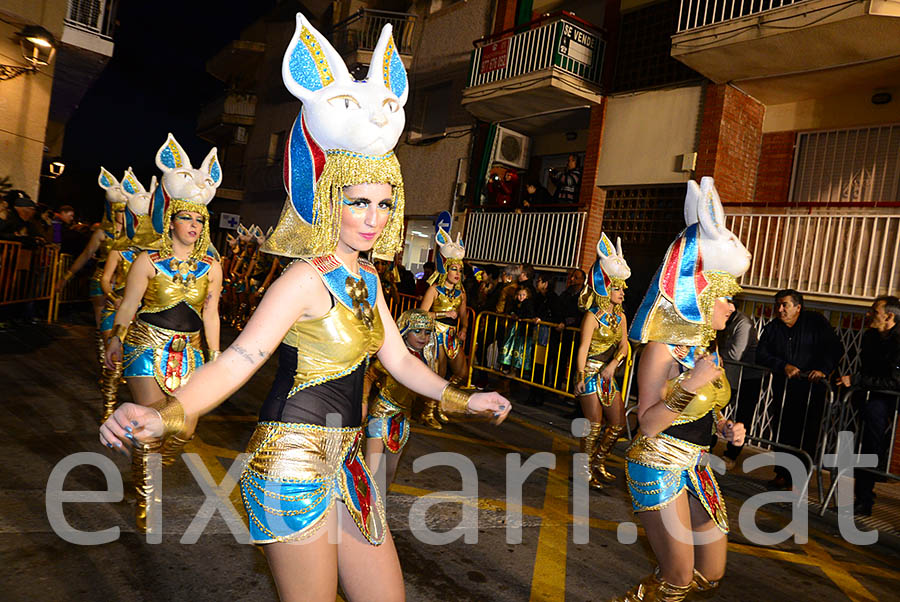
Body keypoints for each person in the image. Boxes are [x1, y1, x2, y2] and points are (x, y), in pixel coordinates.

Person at [101, 18, 510, 602]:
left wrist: (465, 399)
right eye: (359, 202)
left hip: (348, 463)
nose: (373, 217)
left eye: (384, 204)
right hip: (291, 463)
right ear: (328, 200)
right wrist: (169, 413)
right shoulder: (303, 278)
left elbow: (397, 359)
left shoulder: (366, 279)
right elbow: (241, 357)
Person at [615, 177, 751, 600]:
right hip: (657, 462)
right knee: (676, 578)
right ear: (704, 296)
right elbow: (648, 421)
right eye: (726, 298)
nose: (731, 307)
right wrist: (693, 382)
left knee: (709, 573)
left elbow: (703, 411)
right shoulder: (660, 348)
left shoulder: (705, 347)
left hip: (696, 462)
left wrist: (727, 428)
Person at [104, 135, 224, 532]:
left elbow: (211, 313)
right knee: (153, 425)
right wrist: (115, 339)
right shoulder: (147, 260)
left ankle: (143, 465)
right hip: (146, 348)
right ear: (171, 220)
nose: (194, 225)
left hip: (190, 353)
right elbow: (128, 305)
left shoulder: (212, 266)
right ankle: (147, 499)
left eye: (200, 220)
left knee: (184, 428)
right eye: (187, 218)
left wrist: (217, 356)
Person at [756, 288, 843, 489]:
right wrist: (782, 366)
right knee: (782, 431)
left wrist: (823, 369)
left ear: (798, 307)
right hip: (784, 389)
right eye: (777, 304)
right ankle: (781, 474)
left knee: (806, 433)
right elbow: (761, 354)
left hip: (811, 389)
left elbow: (834, 348)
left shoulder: (816, 323)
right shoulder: (772, 328)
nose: (780, 309)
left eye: (784, 304)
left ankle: (799, 479)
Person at [98, 169, 161, 422]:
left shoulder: (155, 258)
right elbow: (105, 280)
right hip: (117, 309)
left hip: (143, 318)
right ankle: (109, 409)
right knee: (113, 365)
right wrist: (113, 297)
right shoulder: (119, 251)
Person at [573, 234, 631, 489]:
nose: (622, 293)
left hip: (608, 375)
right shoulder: (592, 316)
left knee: (617, 425)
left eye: (622, 288)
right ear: (606, 289)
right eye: (617, 288)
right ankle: (583, 469)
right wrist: (580, 377)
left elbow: (625, 345)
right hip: (590, 373)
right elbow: (583, 348)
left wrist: (614, 364)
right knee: (594, 425)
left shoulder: (621, 318)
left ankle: (598, 462)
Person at [836, 295, 900, 516]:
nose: (868, 314)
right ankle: (858, 498)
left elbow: (895, 381)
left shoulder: (898, 341)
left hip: (884, 403)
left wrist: (856, 380)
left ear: (889, 316)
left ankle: (865, 499)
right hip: (866, 400)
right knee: (860, 448)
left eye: (874, 310)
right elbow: (867, 369)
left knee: (872, 450)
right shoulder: (870, 336)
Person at [56, 170, 128, 366]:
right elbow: (86, 255)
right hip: (101, 280)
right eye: (118, 210)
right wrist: (66, 277)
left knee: (123, 326)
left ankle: (115, 363)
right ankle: (107, 367)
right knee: (103, 326)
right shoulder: (102, 233)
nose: (121, 214)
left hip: (124, 283)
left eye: (124, 210)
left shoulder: (135, 235)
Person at [365, 309, 446, 480]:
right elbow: (370, 375)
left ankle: (379, 506)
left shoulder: (426, 361)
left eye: (427, 332)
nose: (423, 337)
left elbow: (430, 393)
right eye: (417, 331)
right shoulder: (393, 356)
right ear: (405, 331)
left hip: (403, 418)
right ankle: (364, 506)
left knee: (389, 472)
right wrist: (363, 401)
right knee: (371, 469)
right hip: (381, 413)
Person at [419, 228, 469, 424]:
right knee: (438, 374)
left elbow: (464, 316)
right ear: (446, 269)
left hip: (452, 335)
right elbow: (422, 314)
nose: (457, 273)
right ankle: (428, 411)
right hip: (435, 333)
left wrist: (464, 328)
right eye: (454, 269)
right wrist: (442, 314)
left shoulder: (461, 292)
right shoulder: (434, 290)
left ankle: (440, 403)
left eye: (460, 270)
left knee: (461, 372)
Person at [715, 308, 760, 469]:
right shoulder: (721, 321)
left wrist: (717, 354)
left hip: (746, 378)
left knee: (742, 417)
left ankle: (731, 455)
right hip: (729, 377)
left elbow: (735, 354)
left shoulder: (743, 323)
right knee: (715, 410)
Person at [499, 285, 537, 374]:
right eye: (520, 295)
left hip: (524, 330)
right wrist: (513, 314)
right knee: (509, 345)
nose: (521, 297)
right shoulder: (515, 303)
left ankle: (518, 369)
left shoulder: (528, 304)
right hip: (514, 329)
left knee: (520, 349)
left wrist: (521, 317)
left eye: (523, 295)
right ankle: (506, 365)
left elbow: (529, 314)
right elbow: (511, 310)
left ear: (527, 296)